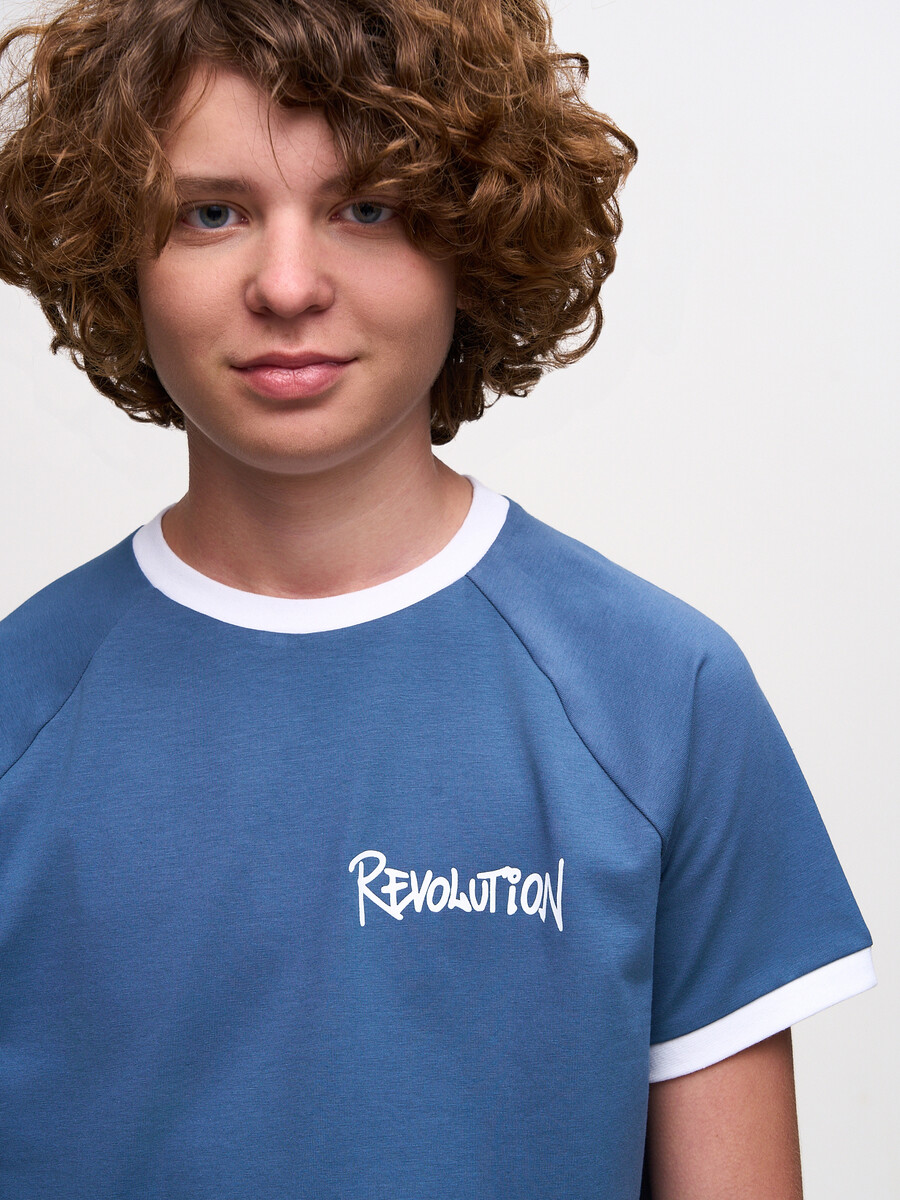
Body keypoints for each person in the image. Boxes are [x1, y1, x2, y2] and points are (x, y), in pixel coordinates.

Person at [0, 0, 875, 1196]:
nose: (288, 285)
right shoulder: (20, 712)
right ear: (120, 250)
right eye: (212, 213)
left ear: (475, 235)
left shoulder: (661, 700)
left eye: (368, 208)